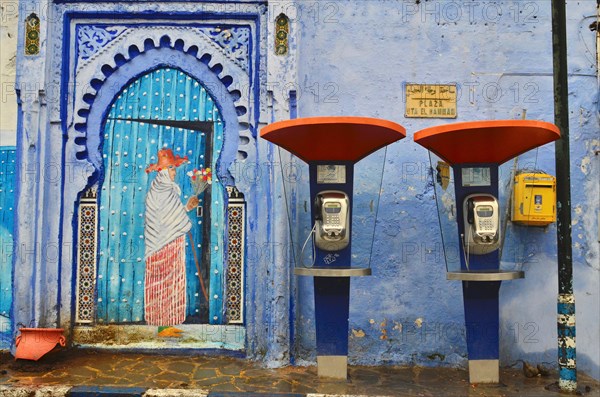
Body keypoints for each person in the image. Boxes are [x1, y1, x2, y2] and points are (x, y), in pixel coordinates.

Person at [144, 148, 198, 334]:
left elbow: (171, 216)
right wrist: (182, 220)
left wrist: (186, 209)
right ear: (164, 171)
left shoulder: (166, 189)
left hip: (170, 241)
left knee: (172, 282)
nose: (175, 173)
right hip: (161, 245)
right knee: (162, 282)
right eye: (172, 169)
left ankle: (169, 324)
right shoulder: (161, 191)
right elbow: (163, 219)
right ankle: (162, 325)